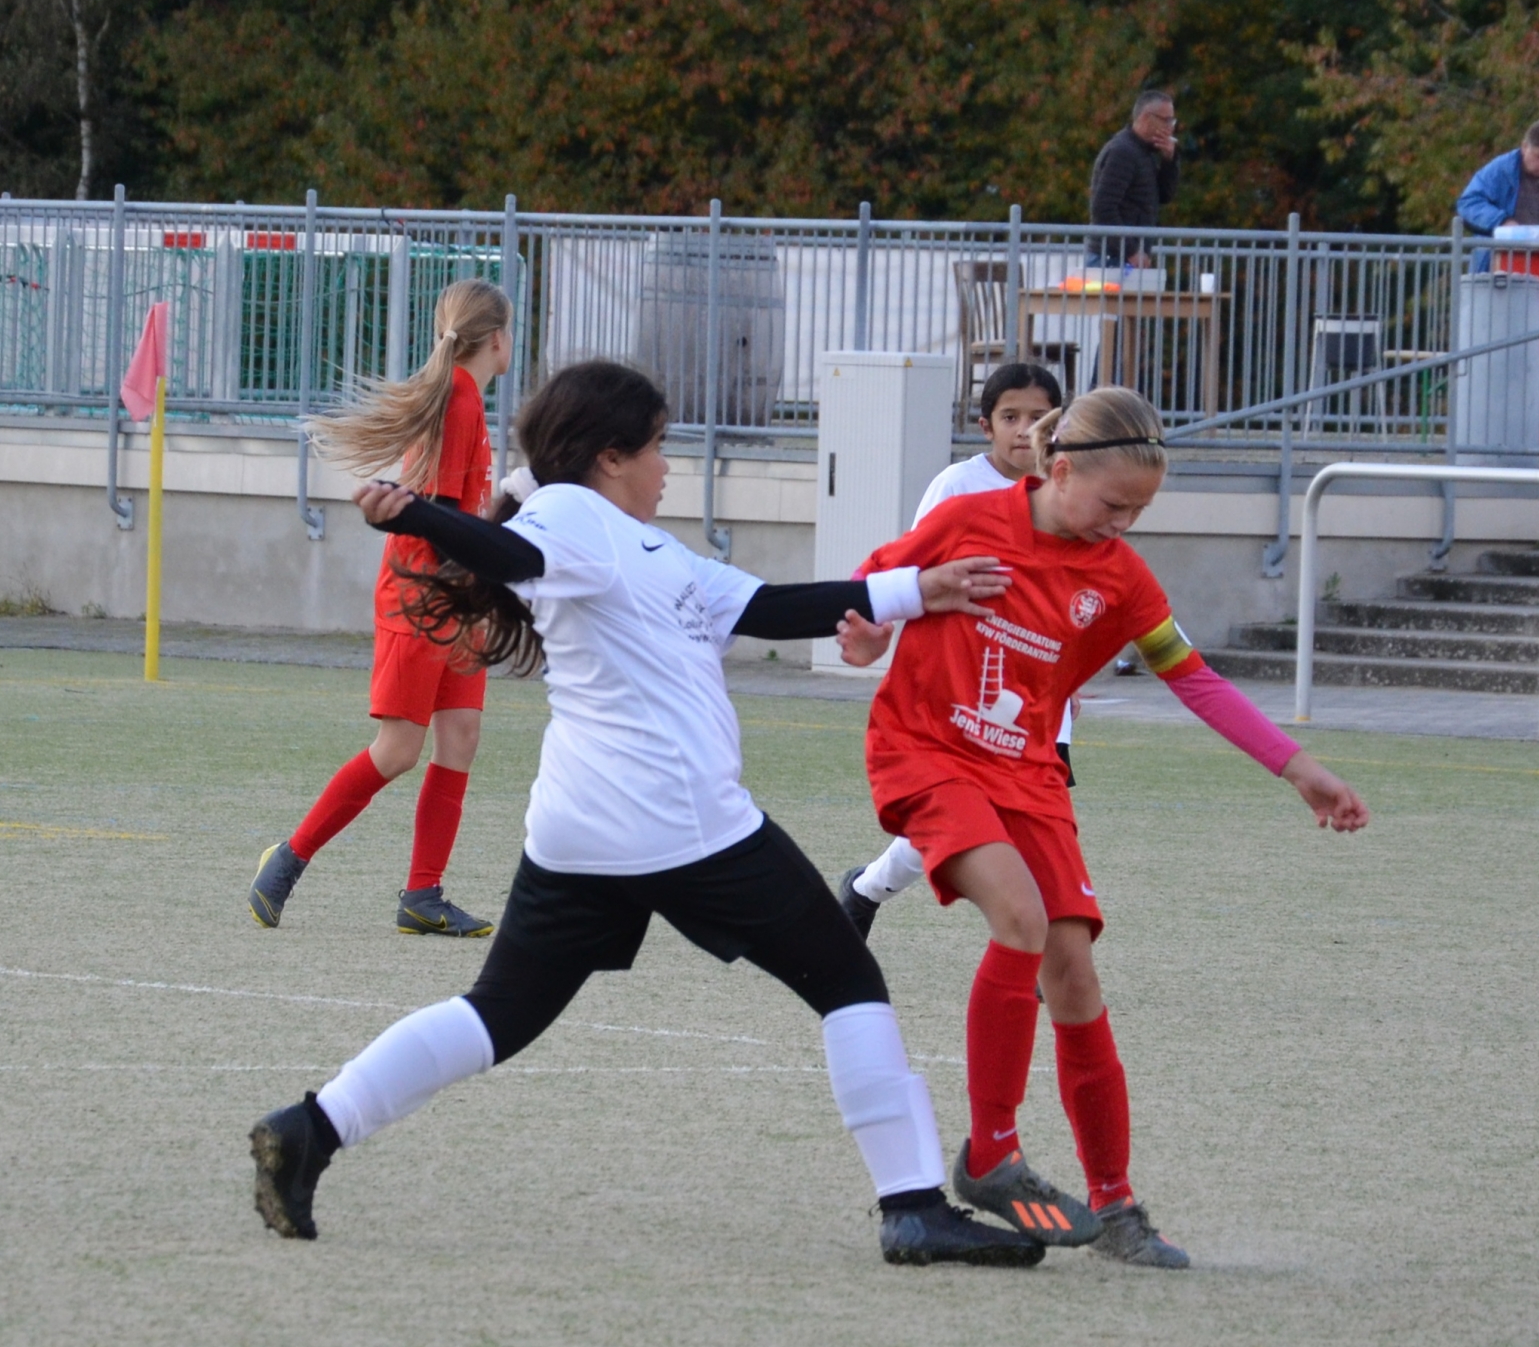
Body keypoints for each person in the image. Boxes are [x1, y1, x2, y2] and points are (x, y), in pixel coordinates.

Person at [247, 360, 1044, 1269]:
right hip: (685, 822)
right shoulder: (574, 517)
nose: (670, 463)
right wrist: (419, 515)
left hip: (581, 830)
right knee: (849, 983)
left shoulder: (649, 547)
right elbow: (516, 555)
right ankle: (910, 1206)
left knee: (495, 1015)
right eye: (660, 444)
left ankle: (309, 1128)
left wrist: (918, 590)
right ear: (609, 454)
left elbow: (773, 607)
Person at [838, 387, 1370, 1268]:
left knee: (1074, 973)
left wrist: (1300, 770)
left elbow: (1193, 678)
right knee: (1020, 914)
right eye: (1113, 504)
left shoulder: (1120, 577)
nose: (1123, 524)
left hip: (1030, 773)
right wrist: (865, 636)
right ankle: (992, 1152)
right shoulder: (967, 520)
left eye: (1140, 511)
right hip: (928, 751)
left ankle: (1117, 1205)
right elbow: (873, 593)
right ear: (1061, 468)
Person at [247, 278, 512, 937]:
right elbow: (443, 518)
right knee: (398, 749)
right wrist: (479, 588)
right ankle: (288, 858)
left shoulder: (465, 397)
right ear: (499, 339)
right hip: (425, 595)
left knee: (461, 737)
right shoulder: (456, 398)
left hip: (457, 593)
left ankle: (423, 895)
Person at [836, 361, 1067, 936]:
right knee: (958, 820)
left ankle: (1042, 942)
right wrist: (877, 629)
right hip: (964, 685)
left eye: (1038, 418)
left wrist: (1072, 675)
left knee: (1040, 819)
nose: (1023, 430)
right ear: (985, 425)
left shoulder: (1070, 491)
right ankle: (867, 890)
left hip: (1038, 694)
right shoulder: (958, 487)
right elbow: (913, 568)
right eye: (1010, 416)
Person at [1457, 116, 1539, 243]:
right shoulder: (1501, 170)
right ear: (1524, 147)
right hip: (1501, 259)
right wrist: (1502, 221)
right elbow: (1469, 203)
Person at [1089, 90, 1179, 269]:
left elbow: (1165, 195)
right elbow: (1102, 208)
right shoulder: (1123, 152)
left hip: (1121, 258)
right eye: (1166, 120)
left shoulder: (1143, 153)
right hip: (1112, 259)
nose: (1171, 127)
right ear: (1146, 118)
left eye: (1172, 121)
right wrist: (1130, 251)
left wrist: (1169, 160)